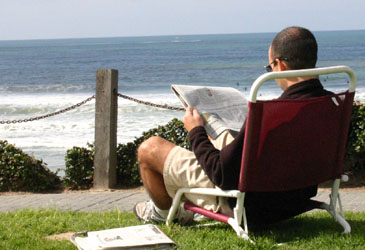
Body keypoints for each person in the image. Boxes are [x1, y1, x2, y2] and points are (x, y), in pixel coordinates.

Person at [134, 26, 334, 226]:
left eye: (270, 66)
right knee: (213, 125)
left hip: (251, 205)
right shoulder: (331, 104)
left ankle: (161, 213)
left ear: (280, 65)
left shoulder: (273, 114)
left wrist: (195, 132)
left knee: (149, 148)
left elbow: (222, 175)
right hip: (293, 198)